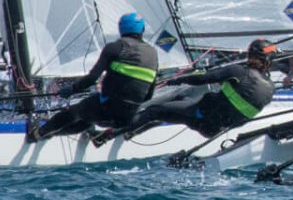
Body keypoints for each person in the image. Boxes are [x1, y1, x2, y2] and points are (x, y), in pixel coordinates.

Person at [25, 13, 159, 143]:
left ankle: (37, 135)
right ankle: (56, 133)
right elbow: (148, 95)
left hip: (107, 108)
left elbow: (92, 78)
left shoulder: (115, 48)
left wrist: (72, 89)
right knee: (86, 120)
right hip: (127, 118)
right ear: (142, 29)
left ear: (121, 28)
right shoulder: (153, 53)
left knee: (74, 112)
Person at [118, 39, 279, 140]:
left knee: (155, 110)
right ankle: (134, 131)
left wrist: (177, 80)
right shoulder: (271, 90)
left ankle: (113, 131)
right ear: (269, 62)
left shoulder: (238, 72)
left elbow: (202, 79)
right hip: (215, 131)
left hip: (201, 117)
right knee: (173, 109)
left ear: (250, 55)